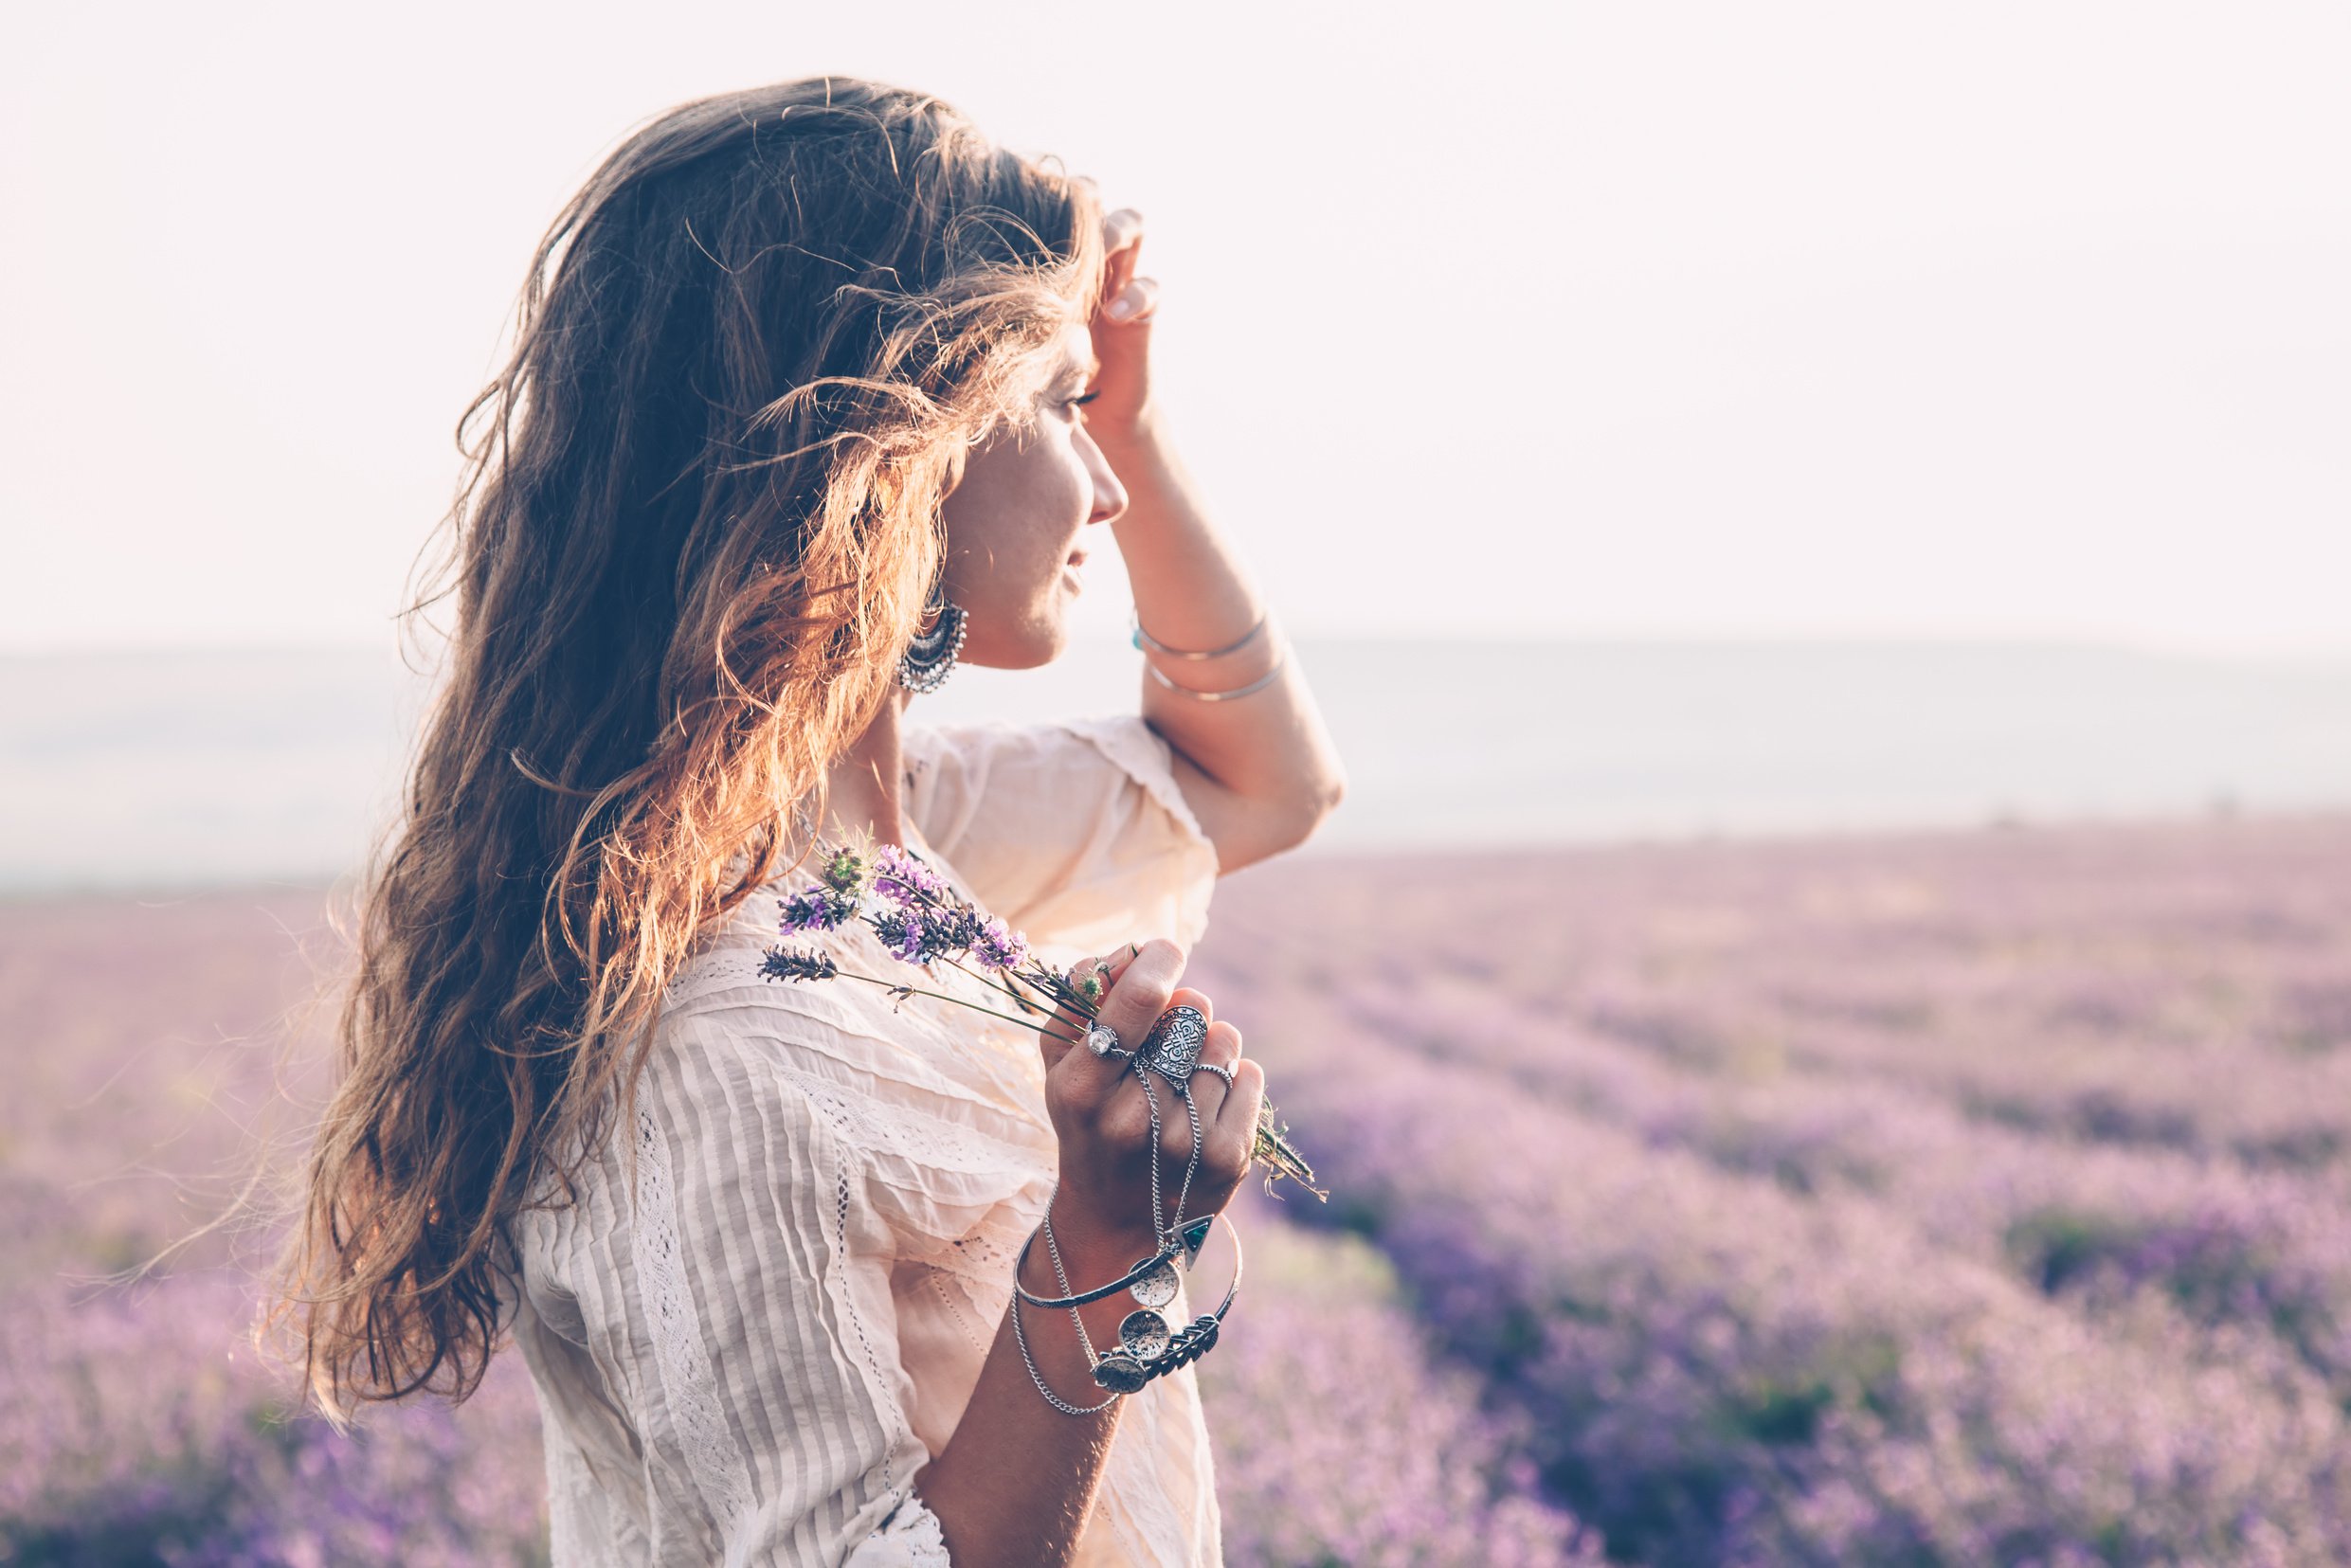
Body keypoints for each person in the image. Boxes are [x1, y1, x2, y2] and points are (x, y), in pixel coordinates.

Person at [274, 77, 1345, 1567]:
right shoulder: (722, 1036)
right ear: (893, 453)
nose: (1103, 489)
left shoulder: (901, 861)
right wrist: (1101, 1257)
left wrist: (1136, 414)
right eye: (1054, 409)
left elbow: (1264, 784)